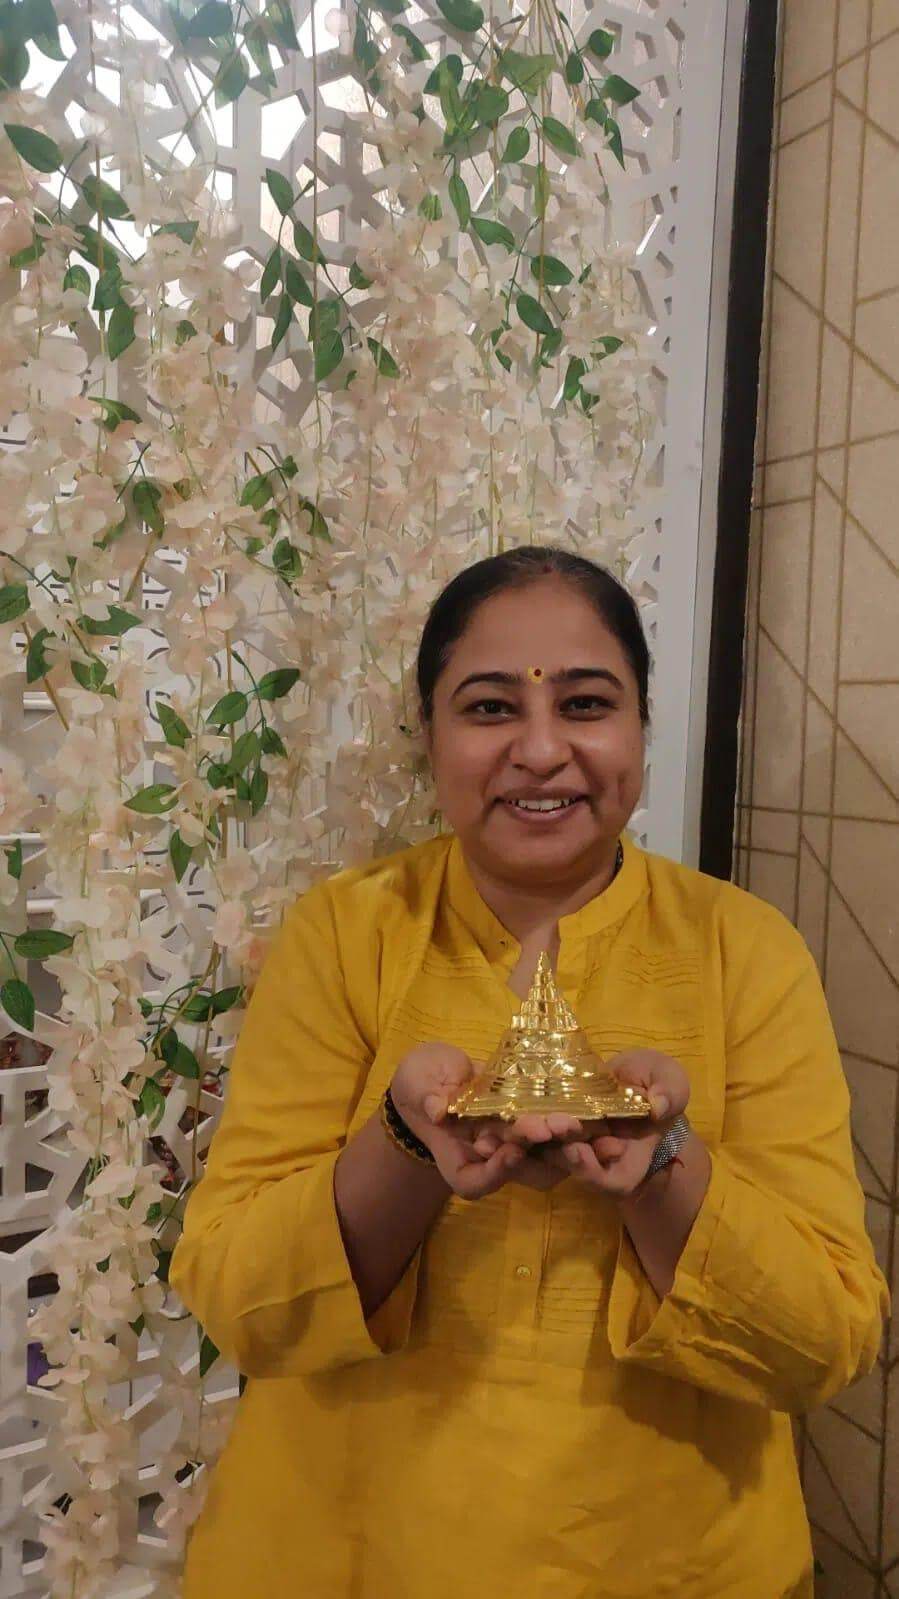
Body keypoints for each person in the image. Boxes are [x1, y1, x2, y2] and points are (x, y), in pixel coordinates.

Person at [170, 545, 887, 1599]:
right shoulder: (344, 935)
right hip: (349, 1549)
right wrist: (407, 1142)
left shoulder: (745, 950)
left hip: (669, 1561)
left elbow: (821, 1341)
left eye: (586, 703)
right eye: (490, 707)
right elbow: (242, 1304)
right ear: (429, 735)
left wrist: (660, 1162)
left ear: (640, 726)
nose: (542, 751)